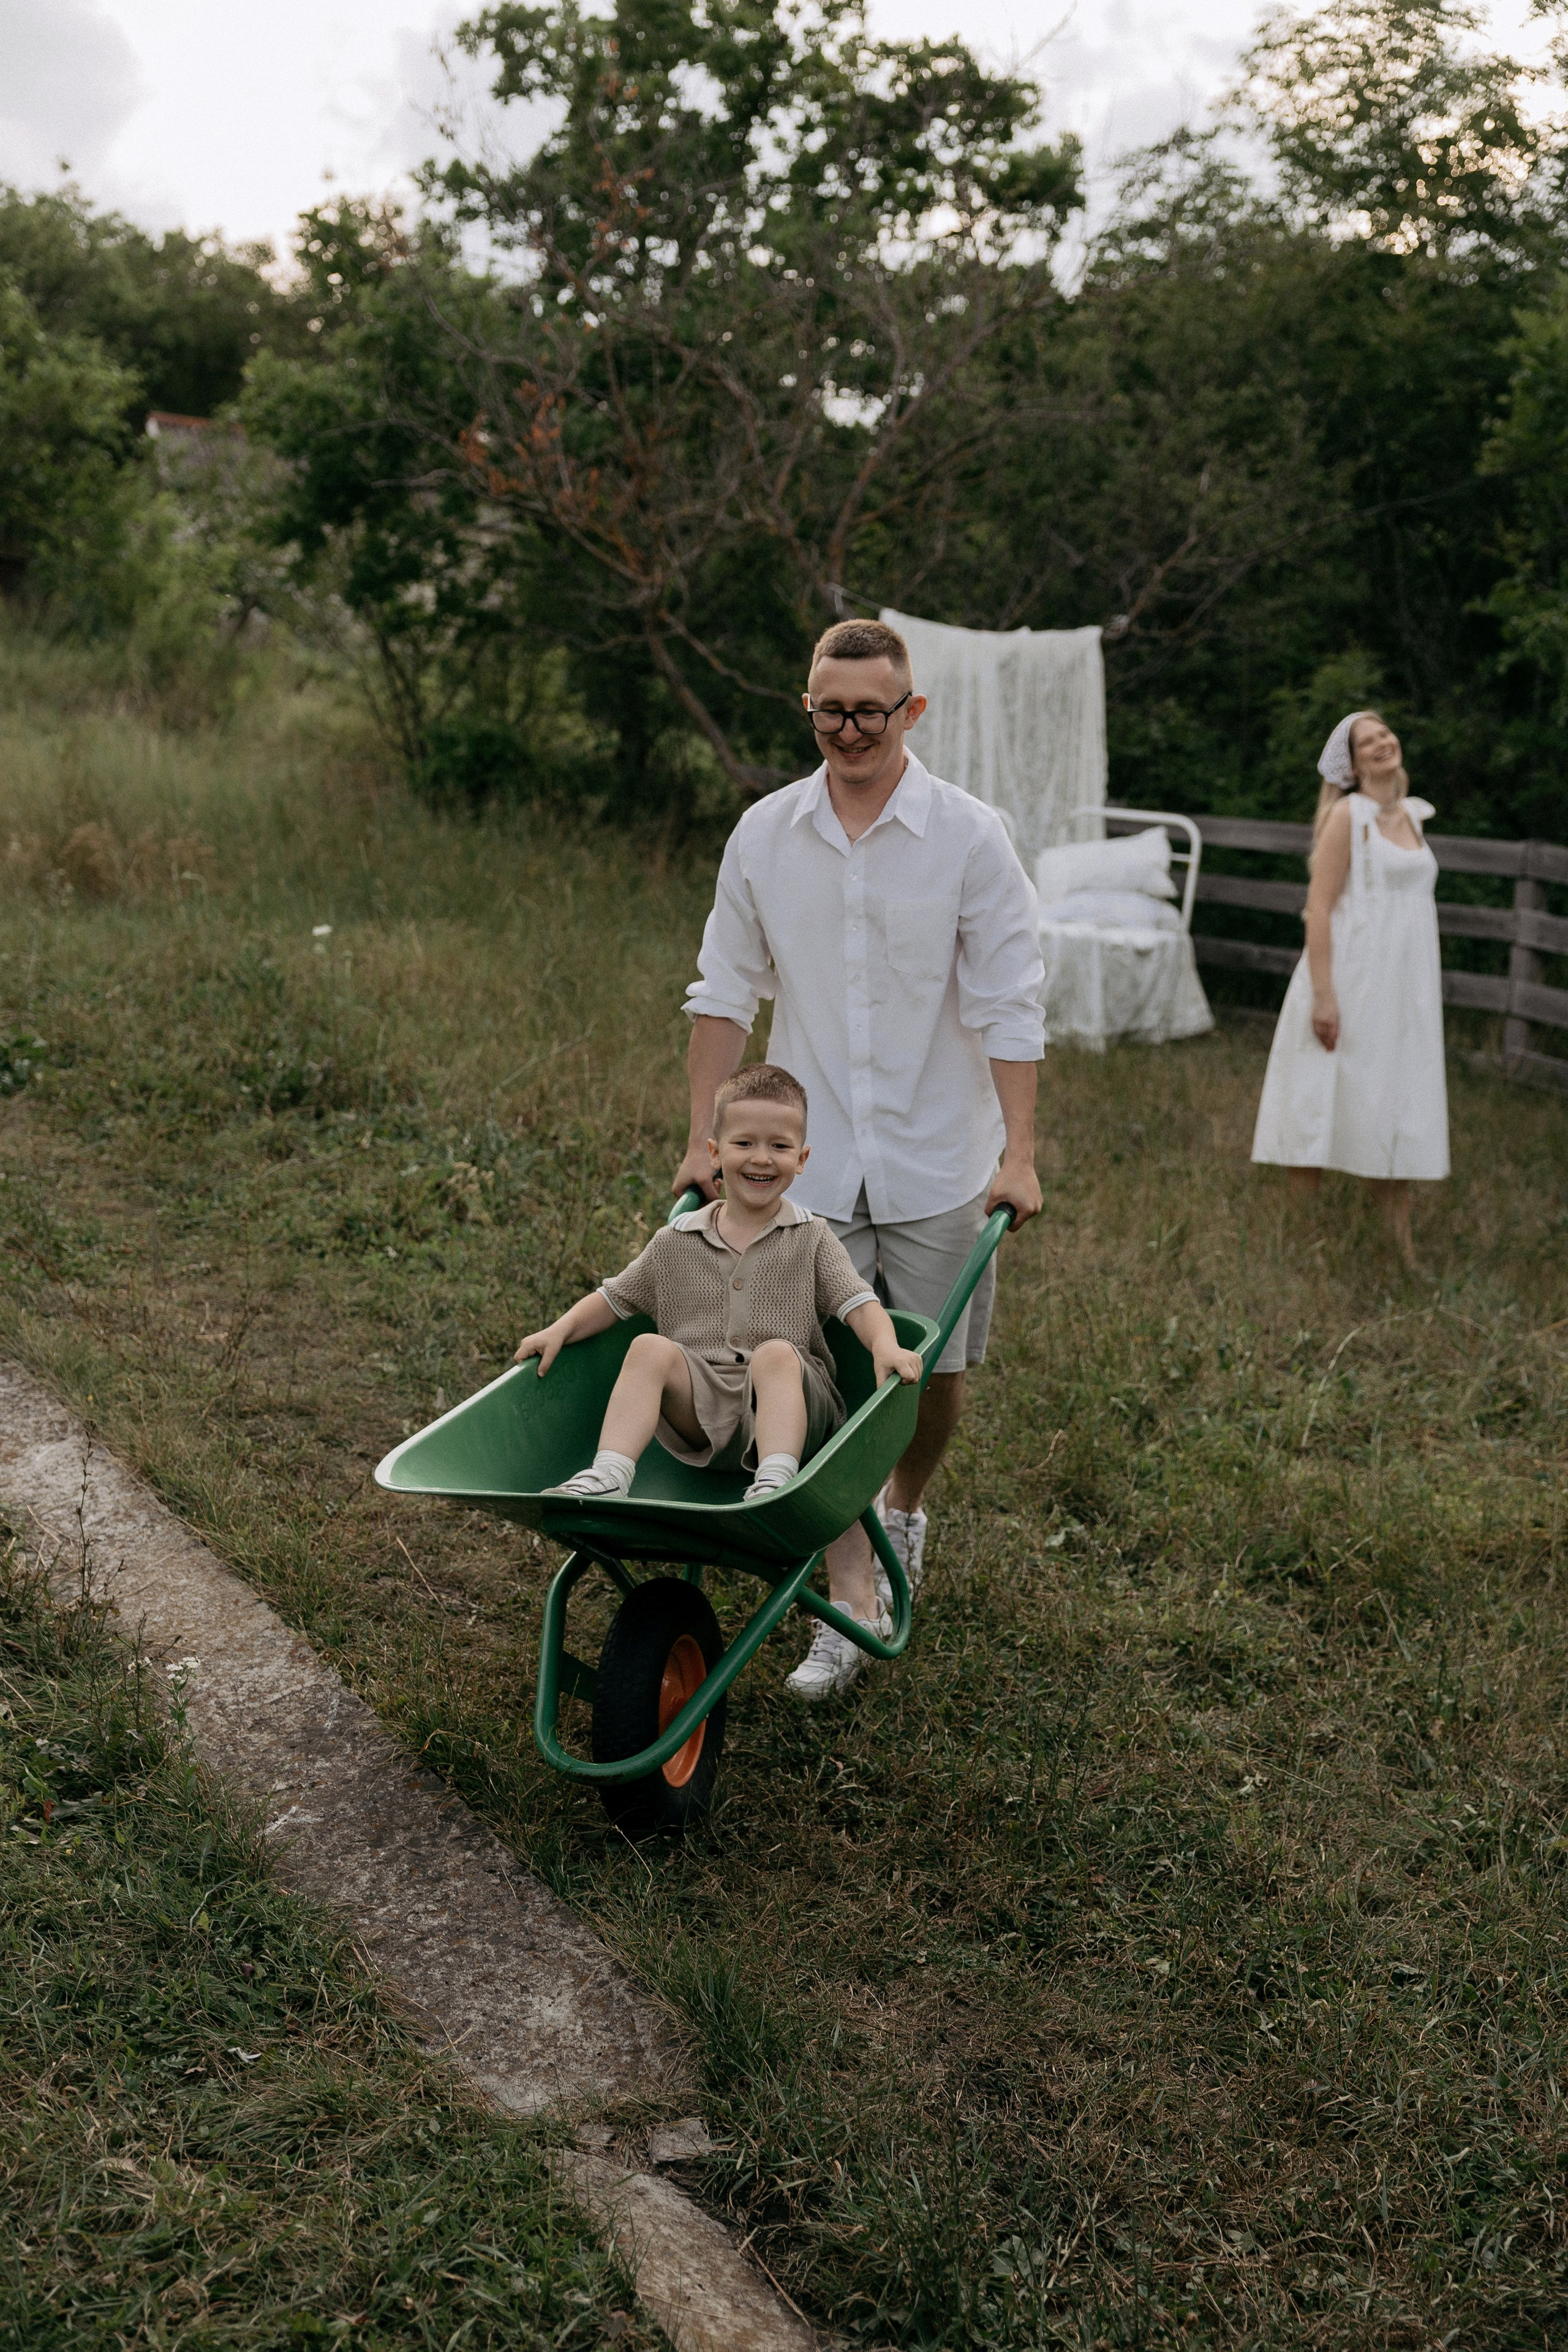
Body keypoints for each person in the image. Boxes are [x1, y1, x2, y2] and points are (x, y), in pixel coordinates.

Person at [675, 617, 1046, 1699]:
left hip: (941, 1159)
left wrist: (1019, 1154)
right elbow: (722, 991)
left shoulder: (972, 838)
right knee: (823, 1377)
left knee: (930, 1382)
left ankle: (904, 1511)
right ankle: (847, 1602)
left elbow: (1010, 1002)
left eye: (870, 711)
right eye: (829, 710)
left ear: (910, 712)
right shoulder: (764, 834)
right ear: (809, 710)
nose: (849, 729)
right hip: (812, 1165)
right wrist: (707, 1137)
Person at [514, 1064, 924, 1510]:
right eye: (744, 1143)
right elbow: (613, 1299)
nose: (762, 1158)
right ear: (715, 1152)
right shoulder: (676, 1242)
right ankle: (609, 1473)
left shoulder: (811, 1238)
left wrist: (884, 1346)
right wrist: (559, 1330)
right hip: (702, 1418)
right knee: (650, 1349)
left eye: (780, 1146)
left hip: (793, 1410)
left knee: (775, 1353)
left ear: (802, 1159)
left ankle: (776, 1481)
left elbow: (858, 1302)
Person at [1251, 708, 1449, 1268]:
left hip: (1401, 989)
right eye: (1368, 741)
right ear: (1353, 763)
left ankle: (1401, 1252)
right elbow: (1318, 909)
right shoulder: (1348, 816)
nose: (1382, 743)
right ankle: (1300, 1245)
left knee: (1395, 1101)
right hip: (1348, 978)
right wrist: (1324, 995)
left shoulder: (1413, 817)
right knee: (1318, 1097)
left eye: (1385, 732)